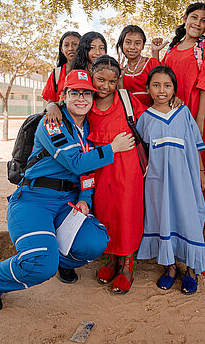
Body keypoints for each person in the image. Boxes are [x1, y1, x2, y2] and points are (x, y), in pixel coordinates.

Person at [0, 70, 135, 312]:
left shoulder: (88, 128)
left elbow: (88, 171)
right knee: (40, 265)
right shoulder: (52, 123)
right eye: (75, 93)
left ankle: (61, 260)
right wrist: (113, 148)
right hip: (34, 200)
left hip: (66, 201)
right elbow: (76, 162)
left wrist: (84, 198)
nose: (81, 98)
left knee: (96, 241)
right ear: (63, 96)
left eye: (87, 93)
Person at [136, 66, 205, 295]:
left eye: (167, 85)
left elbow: (196, 145)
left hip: (185, 178)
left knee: (189, 218)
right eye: (156, 85)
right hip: (157, 183)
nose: (162, 90)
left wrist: (200, 171)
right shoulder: (144, 118)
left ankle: (191, 270)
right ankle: (170, 268)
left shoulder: (183, 112)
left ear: (174, 89)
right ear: (148, 88)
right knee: (163, 220)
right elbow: (141, 155)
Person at [151, 2, 205, 222]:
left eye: (203, 21)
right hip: (171, 114)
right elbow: (160, 78)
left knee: (197, 162)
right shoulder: (173, 47)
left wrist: (199, 119)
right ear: (185, 18)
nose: (198, 24)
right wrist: (154, 52)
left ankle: (200, 212)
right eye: (194, 18)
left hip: (194, 111)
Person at [87, 55, 148, 294]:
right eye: (100, 79)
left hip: (127, 166)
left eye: (112, 82)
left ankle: (127, 264)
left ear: (118, 82)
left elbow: (149, 120)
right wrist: (52, 106)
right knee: (104, 211)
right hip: (99, 167)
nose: (105, 86)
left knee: (126, 212)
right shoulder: (85, 101)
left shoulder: (126, 101)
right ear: (92, 75)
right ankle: (110, 258)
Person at [117, 25, 160, 107]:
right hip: (131, 117)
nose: (132, 47)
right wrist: (120, 79)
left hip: (152, 114)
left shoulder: (151, 63)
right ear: (121, 45)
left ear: (143, 46)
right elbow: (121, 99)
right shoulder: (120, 71)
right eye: (128, 42)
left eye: (137, 43)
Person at [41, 31, 81, 102]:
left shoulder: (87, 72)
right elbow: (51, 102)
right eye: (66, 45)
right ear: (62, 50)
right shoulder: (56, 73)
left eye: (75, 44)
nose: (70, 48)